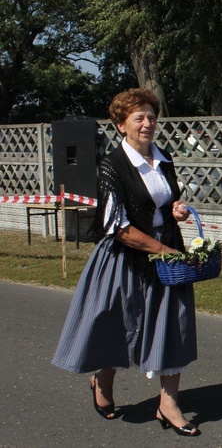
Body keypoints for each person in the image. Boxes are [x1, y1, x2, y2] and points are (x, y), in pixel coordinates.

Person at [52, 88, 200, 437]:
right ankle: (102, 381)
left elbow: (166, 200)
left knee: (173, 326)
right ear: (121, 125)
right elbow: (117, 227)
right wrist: (162, 250)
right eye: (139, 117)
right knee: (116, 326)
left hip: (166, 257)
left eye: (151, 116)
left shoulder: (163, 159)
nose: (147, 123)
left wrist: (174, 209)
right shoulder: (112, 166)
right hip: (125, 258)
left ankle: (168, 403)